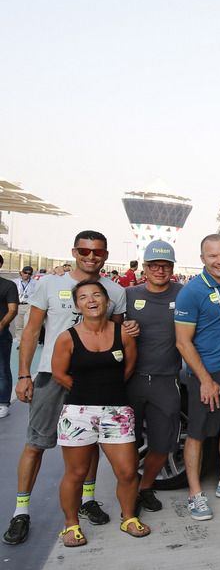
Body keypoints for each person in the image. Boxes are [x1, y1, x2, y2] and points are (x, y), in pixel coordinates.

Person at [4, 231, 126, 546]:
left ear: (105, 255)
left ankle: (87, 501)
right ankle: (21, 511)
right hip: (49, 376)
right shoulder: (49, 284)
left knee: (91, 445)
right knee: (36, 443)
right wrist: (23, 375)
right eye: (84, 250)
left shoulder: (115, 291)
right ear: (74, 251)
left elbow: (117, 335)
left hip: (92, 382)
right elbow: (31, 331)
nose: (91, 256)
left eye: (98, 251)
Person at [50, 281, 148, 546]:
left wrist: (107, 392)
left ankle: (128, 518)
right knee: (76, 473)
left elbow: (128, 368)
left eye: (96, 295)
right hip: (78, 413)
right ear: (77, 305)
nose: (91, 300)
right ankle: (71, 525)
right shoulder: (67, 338)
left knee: (128, 471)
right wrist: (87, 393)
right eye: (83, 297)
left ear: (107, 301)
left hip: (116, 411)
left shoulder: (123, 334)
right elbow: (59, 374)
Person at [174, 234, 220, 521]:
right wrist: (205, 379)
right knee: (197, 435)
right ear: (202, 258)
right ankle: (195, 493)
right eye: (213, 256)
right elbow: (183, 342)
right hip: (208, 375)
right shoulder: (192, 292)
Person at [123, 241, 182, 513]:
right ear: (144, 267)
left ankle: (145, 488)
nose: (160, 270)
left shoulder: (183, 294)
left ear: (172, 267)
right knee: (126, 445)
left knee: (162, 443)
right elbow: (105, 329)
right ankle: (130, 492)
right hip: (131, 381)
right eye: (154, 265)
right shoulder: (128, 295)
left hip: (166, 380)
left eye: (165, 265)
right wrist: (123, 328)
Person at [0, 255, 19, 418]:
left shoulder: (8, 285)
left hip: (1, 335)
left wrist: (1, 325)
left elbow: (13, 309)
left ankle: (3, 402)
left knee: (2, 368)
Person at [13, 266, 37, 351]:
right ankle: (20, 343)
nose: (27, 275)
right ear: (21, 272)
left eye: (29, 273)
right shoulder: (15, 282)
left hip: (29, 306)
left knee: (27, 325)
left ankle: (26, 343)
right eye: (25, 273)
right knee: (18, 325)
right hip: (18, 305)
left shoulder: (35, 283)